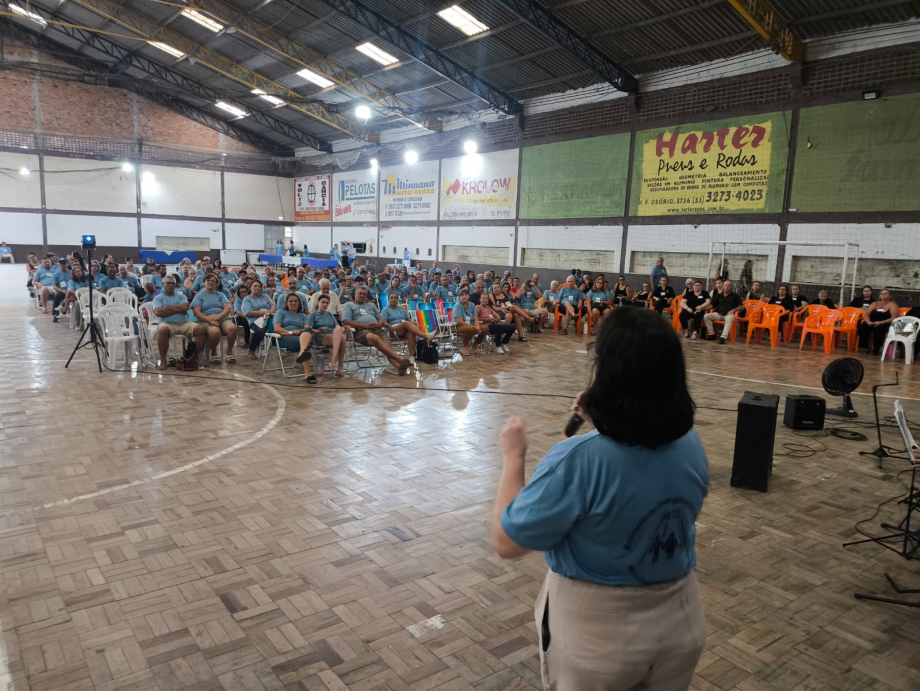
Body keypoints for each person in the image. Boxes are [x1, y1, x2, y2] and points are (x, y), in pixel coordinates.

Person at [493, 307, 707, 690]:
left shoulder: (577, 458)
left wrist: (514, 458)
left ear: (607, 373)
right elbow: (636, 461)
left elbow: (508, 542)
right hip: (681, 620)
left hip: (600, 634)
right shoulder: (690, 443)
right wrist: (605, 417)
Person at [342, 287, 411, 375]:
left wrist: (379, 324)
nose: (362, 295)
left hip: (376, 328)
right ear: (355, 293)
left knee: (386, 345)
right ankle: (400, 359)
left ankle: (399, 367)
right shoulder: (349, 305)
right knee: (374, 338)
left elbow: (380, 319)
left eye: (364, 294)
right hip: (360, 331)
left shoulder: (371, 305)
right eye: (360, 293)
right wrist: (364, 325)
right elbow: (346, 321)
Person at [153, 276, 205, 371]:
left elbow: (185, 309)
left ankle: (196, 357)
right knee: (163, 330)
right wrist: (178, 309)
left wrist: (167, 307)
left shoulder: (182, 296)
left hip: (184, 323)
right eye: (168, 283)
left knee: (199, 328)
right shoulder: (158, 298)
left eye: (173, 283)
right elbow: (158, 312)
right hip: (167, 324)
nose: (171, 285)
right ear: (163, 285)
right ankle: (163, 361)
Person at [191, 274, 237, 364]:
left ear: (216, 284)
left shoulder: (221, 295)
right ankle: (214, 352)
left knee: (232, 328)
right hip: (206, 319)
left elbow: (227, 308)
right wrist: (210, 320)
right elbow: (197, 312)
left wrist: (218, 317)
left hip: (222, 317)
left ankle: (229, 351)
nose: (211, 282)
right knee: (214, 332)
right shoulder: (199, 296)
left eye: (213, 281)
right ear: (204, 282)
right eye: (208, 280)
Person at [381, 292, 435, 365]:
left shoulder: (402, 308)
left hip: (405, 328)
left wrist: (416, 324)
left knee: (410, 333)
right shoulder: (385, 309)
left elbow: (409, 320)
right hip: (393, 329)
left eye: (395, 298)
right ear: (388, 300)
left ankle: (411, 357)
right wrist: (389, 326)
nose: (393, 299)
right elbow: (383, 322)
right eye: (391, 298)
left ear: (398, 300)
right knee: (406, 324)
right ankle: (425, 336)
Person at [274, 292, 317, 380]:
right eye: (291, 301)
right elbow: (277, 328)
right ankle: (308, 373)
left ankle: (302, 354)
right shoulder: (280, 313)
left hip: (300, 336)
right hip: (285, 337)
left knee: (308, 331)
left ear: (299, 303)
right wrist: (291, 332)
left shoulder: (303, 316)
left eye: (296, 301)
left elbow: (307, 329)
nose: (293, 303)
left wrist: (300, 331)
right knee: (306, 345)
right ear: (286, 303)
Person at [303, 294, 346, 379]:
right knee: (342, 337)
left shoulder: (330, 314)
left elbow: (337, 327)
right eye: (323, 302)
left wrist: (343, 329)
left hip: (334, 335)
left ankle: (335, 361)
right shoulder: (313, 315)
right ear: (318, 302)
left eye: (327, 303)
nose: (325, 305)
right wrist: (319, 331)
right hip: (320, 337)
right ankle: (338, 365)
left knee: (340, 333)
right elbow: (308, 329)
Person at [241, 279, 277, 359]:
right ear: (250, 287)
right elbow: (249, 313)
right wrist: (267, 312)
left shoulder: (266, 297)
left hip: (270, 319)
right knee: (261, 329)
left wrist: (270, 312)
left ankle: (283, 348)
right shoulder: (247, 299)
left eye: (259, 286)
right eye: (255, 286)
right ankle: (251, 350)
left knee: (281, 327)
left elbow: (273, 306)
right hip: (256, 321)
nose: (257, 288)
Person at [858, 288, 899, 355]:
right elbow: (866, 315)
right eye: (881, 294)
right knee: (863, 327)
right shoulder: (875, 303)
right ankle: (864, 347)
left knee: (879, 330)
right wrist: (869, 322)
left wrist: (881, 322)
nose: (883, 295)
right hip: (872, 322)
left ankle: (876, 349)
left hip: (885, 323)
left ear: (890, 295)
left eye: (885, 294)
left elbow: (893, 318)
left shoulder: (893, 304)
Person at [703, 279, 743, 344]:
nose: (727, 287)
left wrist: (733, 310)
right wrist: (702, 308)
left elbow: (741, 306)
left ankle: (723, 337)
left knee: (730, 318)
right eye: (726, 285)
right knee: (706, 316)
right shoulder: (718, 295)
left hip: (728, 314)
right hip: (718, 314)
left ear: (731, 287)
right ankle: (711, 334)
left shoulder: (736, 296)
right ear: (723, 286)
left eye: (729, 285)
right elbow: (712, 305)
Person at [452, 288, 488, 356]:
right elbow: (459, 321)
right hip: (457, 326)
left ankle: (475, 345)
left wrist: (477, 326)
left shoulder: (472, 305)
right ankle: (464, 347)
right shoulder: (457, 306)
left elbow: (475, 318)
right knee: (471, 329)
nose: (464, 296)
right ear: (459, 297)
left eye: (466, 295)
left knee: (485, 328)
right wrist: (474, 327)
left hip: (471, 325)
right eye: (462, 295)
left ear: (469, 296)